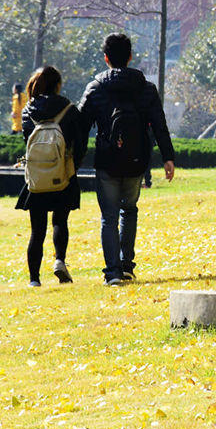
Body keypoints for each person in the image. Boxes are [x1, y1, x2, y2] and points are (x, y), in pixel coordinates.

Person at [78, 33, 175, 286]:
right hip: (136, 160)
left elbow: (80, 127)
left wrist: (73, 158)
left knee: (108, 216)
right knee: (129, 210)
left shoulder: (96, 88)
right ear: (131, 57)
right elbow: (159, 125)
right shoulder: (146, 88)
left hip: (107, 161)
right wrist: (168, 157)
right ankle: (127, 266)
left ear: (106, 58)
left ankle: (112, 273)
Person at [15, 66, 86, 287]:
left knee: (37, 229)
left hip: (36, 177)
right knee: (60, 221)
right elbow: (80, 142)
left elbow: (27, 140)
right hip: (62, 173)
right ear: (57, 85)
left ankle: (34, 279)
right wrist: (74, 165)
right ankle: (59, 261)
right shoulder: (69, 109)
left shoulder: (28, 110)